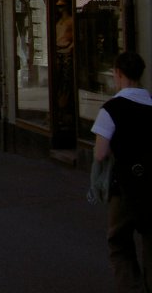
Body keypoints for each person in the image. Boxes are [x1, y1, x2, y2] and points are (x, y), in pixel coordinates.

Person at [91, 51, 152, 292]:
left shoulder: (111, 109)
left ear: (118, 74)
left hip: (125, 186)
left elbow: (100, 154)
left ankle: (132, 287)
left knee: (120, 243)